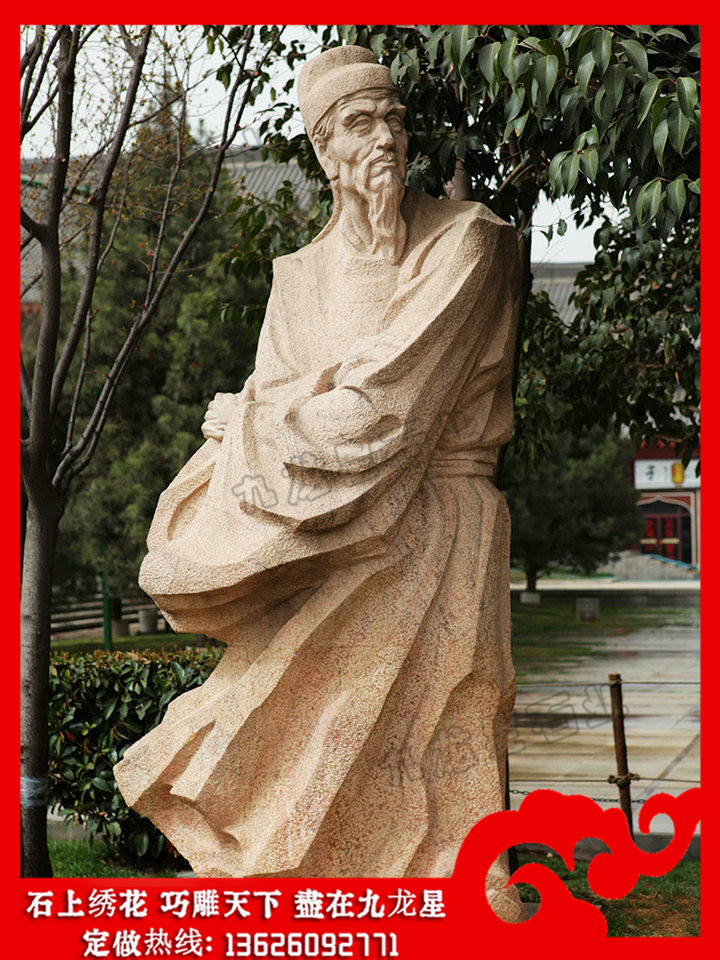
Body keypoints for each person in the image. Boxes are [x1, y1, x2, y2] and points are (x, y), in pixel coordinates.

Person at [115, 45, 524, 919]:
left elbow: (386, 409)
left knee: (440, 734)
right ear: (323, 146)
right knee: (314, 726)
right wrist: (273, 411)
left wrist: (253, 418)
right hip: (320, 538)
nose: (386, 139)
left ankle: (456, 896)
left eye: (395, 120)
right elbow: (289, 414)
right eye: (360, 123)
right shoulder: (297, 278)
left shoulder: (468, 242)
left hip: (438, 528)